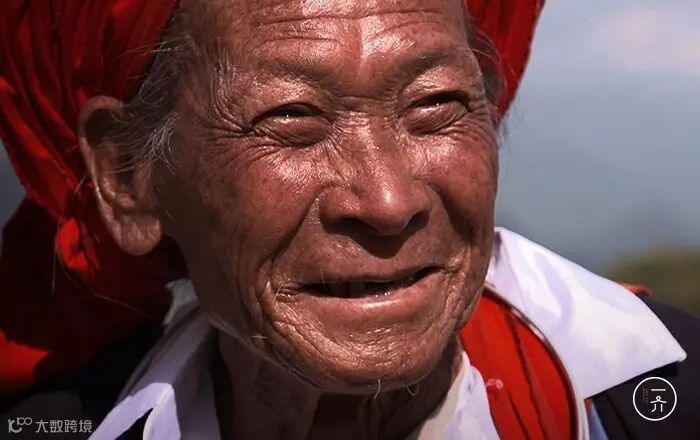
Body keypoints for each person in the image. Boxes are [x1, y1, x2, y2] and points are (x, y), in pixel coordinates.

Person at [0, 0, 698, 439]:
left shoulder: (663, 398)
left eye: (436, 104)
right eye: (292, 118)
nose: (389, 203)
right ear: (128, 177)